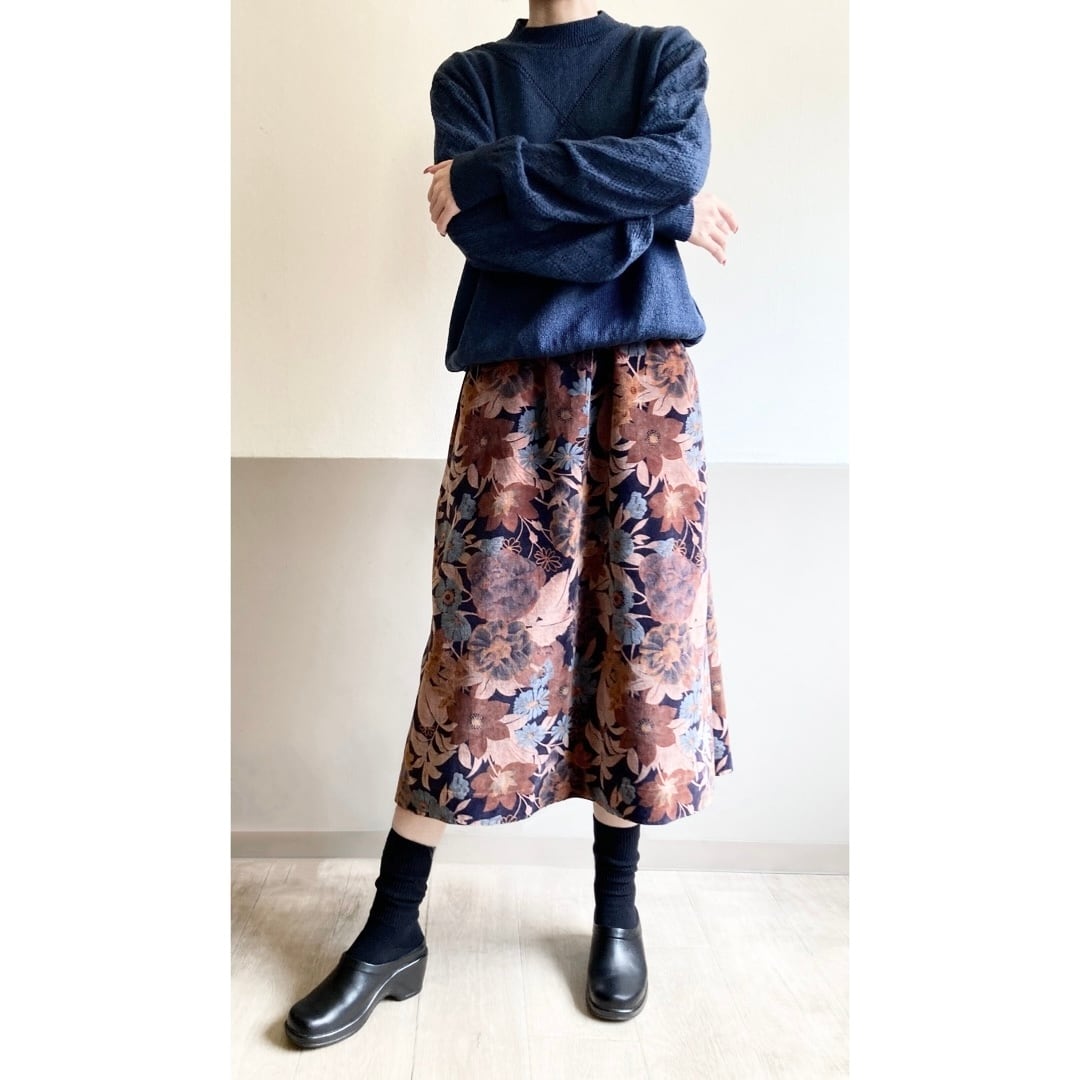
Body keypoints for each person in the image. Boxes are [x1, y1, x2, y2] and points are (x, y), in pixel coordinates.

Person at [284, 1, 739, 1050]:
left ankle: (616, 913)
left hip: (646, 391)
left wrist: (501, 171)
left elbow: (668, 164)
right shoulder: (471, 79)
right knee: (474, 648)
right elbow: (484, 233)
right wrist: (658, 214)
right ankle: (393, 930)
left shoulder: (663, 58)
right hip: (510, 393)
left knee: (639, 644)